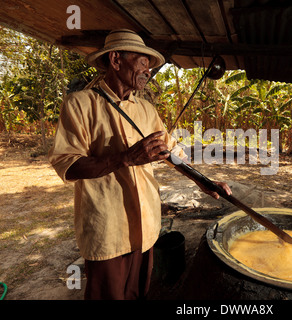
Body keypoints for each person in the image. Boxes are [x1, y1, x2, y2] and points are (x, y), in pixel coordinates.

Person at [48, 29, 231, 300]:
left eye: (150, 64)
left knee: (138, 294)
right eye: (143, 61)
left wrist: (202, 180)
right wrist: (125, 158)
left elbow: (169, 152)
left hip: (146, 226)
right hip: (108, 229)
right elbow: (68, 164)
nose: (148, 70)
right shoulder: (81, 104)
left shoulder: (146, 110)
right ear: (115, 59)